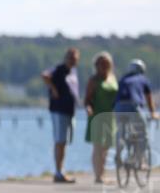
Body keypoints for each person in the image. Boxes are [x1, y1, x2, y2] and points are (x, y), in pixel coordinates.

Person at [41, 48, 81, 183]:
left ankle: (60, 170)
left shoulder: (73, 72)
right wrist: (53, 89)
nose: (72, 60)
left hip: (69, 111)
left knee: (64, 142)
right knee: (60, 141)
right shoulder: (59, 69)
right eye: (70, 57)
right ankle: (58, 173)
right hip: (59, 110)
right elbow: (45, 75)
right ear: (65, 58)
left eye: (74, 58)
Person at [83, 51, 118, 184]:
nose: (103, 66)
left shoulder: (112, 78)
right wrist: (88, 108)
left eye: (106, 63)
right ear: (96, 65)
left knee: (106, 147)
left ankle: (102, 173)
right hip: (97, 115)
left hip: (111, 116)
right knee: (98, 147)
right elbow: (86, 100)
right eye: (100, 63)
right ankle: (98, 176)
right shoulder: (93, 80)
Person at [113, 58, 158, 145]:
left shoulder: (122, 79)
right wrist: (152, 113)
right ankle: (142, 157)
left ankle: (118, 150)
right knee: (143, 133)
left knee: (121, 130)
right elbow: (149, 99)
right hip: (133, 107)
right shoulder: (143, 79)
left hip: (118, 107)